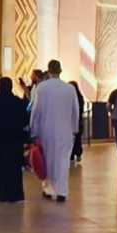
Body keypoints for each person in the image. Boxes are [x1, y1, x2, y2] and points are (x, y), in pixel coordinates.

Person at [28, 61, 79, 201]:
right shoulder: (69, 88)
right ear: (60, 71)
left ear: (49, 71)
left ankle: (48, 189)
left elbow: (36, 111)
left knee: (47, 160)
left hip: (46, 130)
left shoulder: (42, 88)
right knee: (63, 162)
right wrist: (75, 128)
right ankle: (62, 191)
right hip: (65, 131)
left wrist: (33, 130)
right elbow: (75, 111)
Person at [0, 76, 27, 203]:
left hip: (0, 140)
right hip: (15, 140)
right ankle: (15, 194)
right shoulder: (18, 102)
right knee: (14, 167)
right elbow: (24, 120)